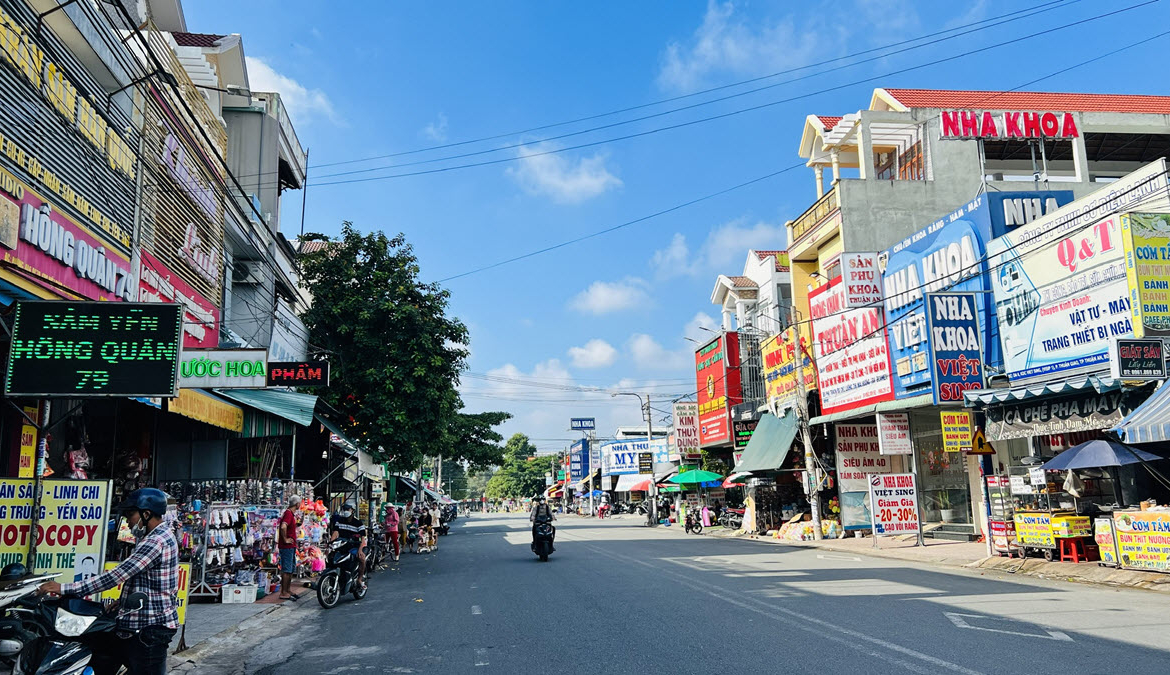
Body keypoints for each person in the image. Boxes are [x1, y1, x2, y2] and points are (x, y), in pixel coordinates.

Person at [39, 488, 178, 675]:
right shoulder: (157, 536)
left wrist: (63, 588)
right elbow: (150, 583)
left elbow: (116, 576)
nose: (128, 522)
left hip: (149, 628)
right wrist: (122, 602)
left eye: (131, 515)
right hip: (140, 623)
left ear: (146, 514)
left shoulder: (155, 541)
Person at [329, 501, 367, 586]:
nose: (346, 511)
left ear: (352, 510)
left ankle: (360, 579)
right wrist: (331, 544)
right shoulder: (339, 521)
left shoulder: (358, 523)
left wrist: (360, 550)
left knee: (362, 559)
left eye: (347, 509)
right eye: (344, 509)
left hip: (353, 547)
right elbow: (335, 533)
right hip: (341, 546)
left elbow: (362, 538)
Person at [278, 494, 302, 600]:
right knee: (287, 569)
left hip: (290, 546)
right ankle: (283, 592)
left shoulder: (291, 514)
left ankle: (287, 590)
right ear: (297, 504)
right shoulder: (288, 514)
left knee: (290, 569)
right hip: (286, 546)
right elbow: (283, 527)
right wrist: (285, 539)